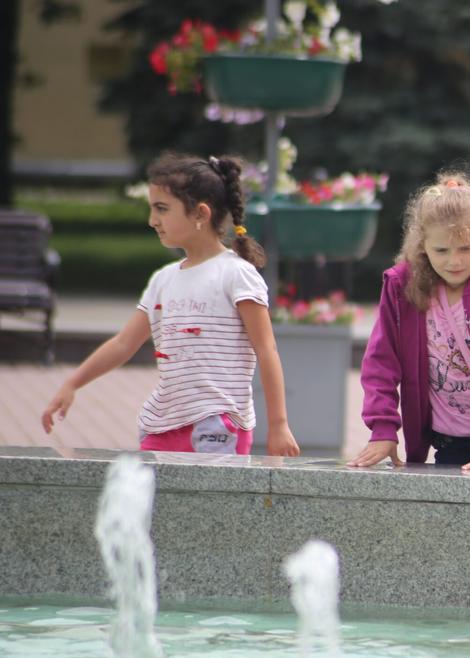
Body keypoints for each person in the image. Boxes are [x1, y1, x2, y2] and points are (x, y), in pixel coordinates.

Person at [41, 153, 300, 457]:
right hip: (159, 426)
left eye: (162, 209)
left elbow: (266, 350)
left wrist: (279, 425)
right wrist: (73, 383)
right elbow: (124, 343)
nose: (152, 220)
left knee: (211, 504)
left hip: (216, 426)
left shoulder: (237, 275)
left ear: (200, 214)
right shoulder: (163, 280)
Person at [348, 173, 470, 471]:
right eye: (441, 251)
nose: (454, 261)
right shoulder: (401, 285)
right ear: (423, 245)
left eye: (466, 248)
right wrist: (383, 430)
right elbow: (380, 362)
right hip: (451, 441)